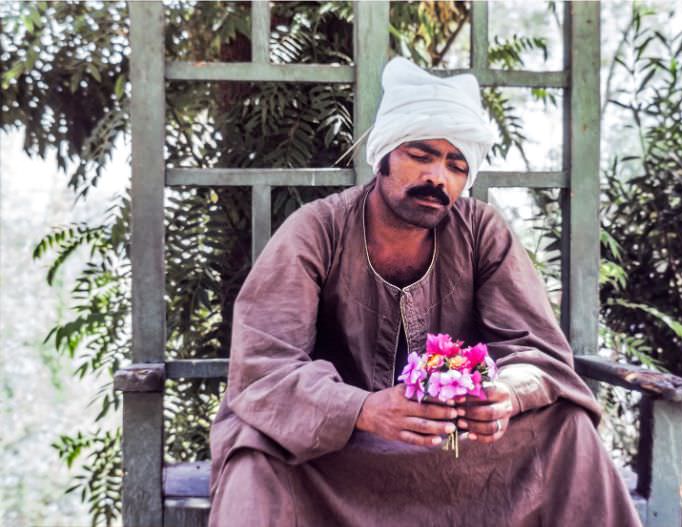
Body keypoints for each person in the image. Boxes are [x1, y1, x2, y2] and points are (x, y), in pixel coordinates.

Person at [209, 57, 642, 526]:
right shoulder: (316, 230)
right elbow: (263, 367)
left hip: (451, 451)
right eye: (421, 155)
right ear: (384, 156)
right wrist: (362, 409)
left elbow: (538, 351)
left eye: (456, 165)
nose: (438, 177)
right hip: (339, 452)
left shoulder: (482, 231)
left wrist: (505, 395)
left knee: (568, 428)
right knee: (256, 453)